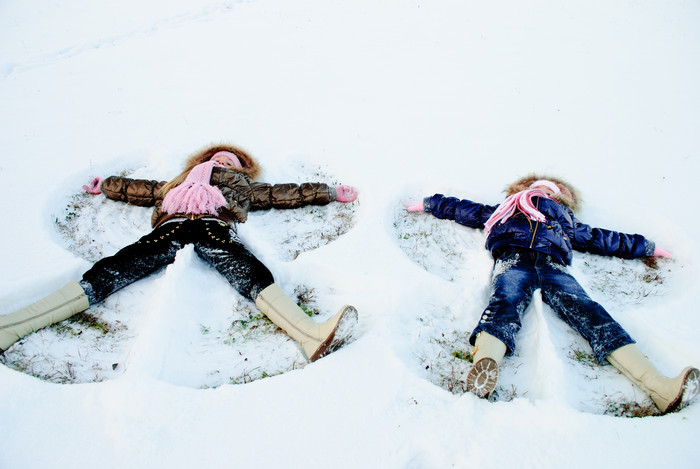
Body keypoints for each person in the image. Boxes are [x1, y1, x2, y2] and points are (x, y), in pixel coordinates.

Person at [0, 144, 359, 362]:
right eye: (219, 158)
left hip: (212, 225)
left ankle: (310, 336)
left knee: (247, 269)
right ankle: (12, 325)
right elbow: (137, 189)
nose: (223, 162)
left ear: (240, 169)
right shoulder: (177, 183)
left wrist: (328, 191)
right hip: (169, 228)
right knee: (113, 269)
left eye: (231, 162)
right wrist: (106, 186)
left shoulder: (244, 187)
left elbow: (285, 193)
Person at [405, 174, 699, 414]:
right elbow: (465, 209)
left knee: (590, 312)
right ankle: (486, 365)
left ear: (560, 198)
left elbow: (602, 239)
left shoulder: (564, 221)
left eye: (552, 191)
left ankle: (660, 387)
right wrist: (430, 203)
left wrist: (645, 247)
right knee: (505, 303)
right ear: (524, 189)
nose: (545, 192)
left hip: (553, 266)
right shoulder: (507, 209)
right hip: (513, 258)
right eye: (539, 188)